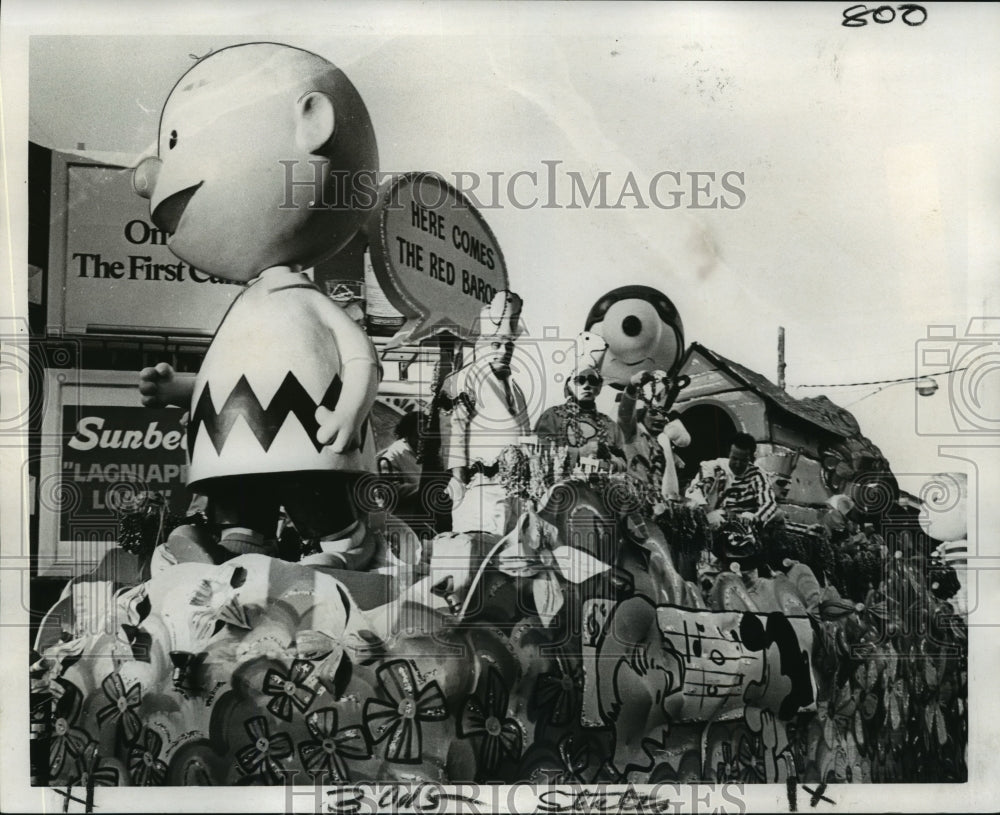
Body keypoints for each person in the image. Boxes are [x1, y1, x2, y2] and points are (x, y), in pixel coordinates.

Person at [444, 290, 532, 536]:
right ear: (483, 345)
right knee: (481, 553)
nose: (504, 350)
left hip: (516, 491)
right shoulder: (468, 377)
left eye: (509, 344)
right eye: (496, 344)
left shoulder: (516, 388)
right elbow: (457, 430)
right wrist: (458, 479)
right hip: (482, 488)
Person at [534, 333, 627, 472]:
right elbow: (538, 455)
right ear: (569, 385)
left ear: (599, 387)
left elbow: (623, 465)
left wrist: (610, 459)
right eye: (580, 380)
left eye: (593, 380)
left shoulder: (610, 425)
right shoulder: (552, 417)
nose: (587, 385)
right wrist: (581, 452)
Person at [618, 370, 691, 505]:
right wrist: (632, 387)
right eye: (653, 413)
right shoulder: (632, 434)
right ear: (642, 413)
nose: (659, 418)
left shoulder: (665, 445)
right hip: (634, 502)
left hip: (661, 507)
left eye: (663, 415)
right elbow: (625, 413)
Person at [687, 433, 778, 529]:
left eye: (743, 461)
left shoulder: (757, 475)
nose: (738, 464)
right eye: (734, 458)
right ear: (729, 454)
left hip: (742, 528)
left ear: (750, 458)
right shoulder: (712, 467)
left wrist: (754, 517)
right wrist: (709, 512)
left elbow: (769, 503)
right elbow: (694, 492)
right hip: (710, 521)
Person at [377, 411, 423, 519]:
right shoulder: (392, 456)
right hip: (405, 519)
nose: (424, 439)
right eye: (419, 435)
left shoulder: (425, 452)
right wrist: (425, 488)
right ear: (407, 434)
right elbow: (390, 490)